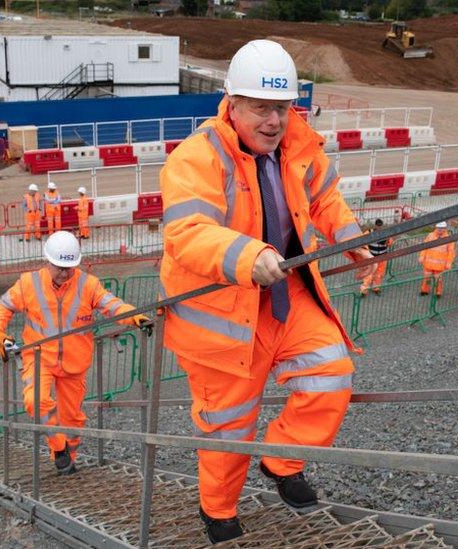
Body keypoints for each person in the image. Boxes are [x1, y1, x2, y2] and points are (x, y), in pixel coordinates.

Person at [158, 39, 374, 543]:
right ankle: (218, 511)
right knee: (229, 428)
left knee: (331, 373)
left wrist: (356, 241)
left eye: (282, 108)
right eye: (261, 108)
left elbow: (326, 201)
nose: (274, 121)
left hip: (285, 295)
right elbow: (187, 232)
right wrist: (248, 256)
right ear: (232, 104)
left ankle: (280, 461)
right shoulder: (196, 158)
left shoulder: (297, 143)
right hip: (222, 314)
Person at [0, 231, 151, 474]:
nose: (65, 273)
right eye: (59, 267)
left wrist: (134, 316)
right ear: (48, 261)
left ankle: (68, 461)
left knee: (72, 419)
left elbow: (111, 305)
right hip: (39, 357)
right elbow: (2, 308)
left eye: (69, 267)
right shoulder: (28, 284)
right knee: (35, 401)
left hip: (75, 362)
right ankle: (59, 448)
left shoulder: (88, 284)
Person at [418, 221, 454, 297]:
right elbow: (424, 247)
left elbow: (451, 252)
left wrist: (448, 263)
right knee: (426, 278)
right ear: (436, 228)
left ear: (445, 229)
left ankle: (438, 292)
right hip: (428, 263)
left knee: (438, 280)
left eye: (441, 229)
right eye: (438, 228)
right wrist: (422, 256)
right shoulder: (430, 236)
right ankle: (424, 290)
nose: (440, 230)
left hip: (439, 265)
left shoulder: (448, 239)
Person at [360, 219, 394, 297]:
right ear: (375, 225)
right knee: (369, 274)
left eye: (380, 227)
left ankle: (376, 288)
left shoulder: (386, 233)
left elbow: (390, 243)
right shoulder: (368, 233)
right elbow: (361, 241)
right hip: (371, 258)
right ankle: (364, 290)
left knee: (379, 274)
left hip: (382, 257)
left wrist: (388, 241)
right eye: (378, 226)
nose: (379, 228)